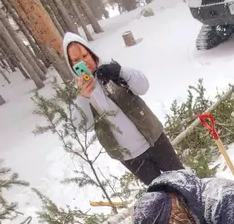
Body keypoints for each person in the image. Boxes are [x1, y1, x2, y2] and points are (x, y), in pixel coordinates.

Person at [63, 33, 182, 185]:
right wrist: (83, 98)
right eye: (76, 60)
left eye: (85, 55)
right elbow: (83, 126)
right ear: (71, 65)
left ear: (92, 53)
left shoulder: (111, 70)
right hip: (130, 157)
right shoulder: (77, 92)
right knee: (163, 196)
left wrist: (120, 71)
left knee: (183, 180)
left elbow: (143, 87)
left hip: (155, 138)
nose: (83, 62)